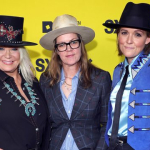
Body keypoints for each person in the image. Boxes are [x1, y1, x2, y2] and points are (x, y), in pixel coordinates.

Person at [39, 14, 111, 150]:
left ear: (81, 44)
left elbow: (108, 124)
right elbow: (42, 124)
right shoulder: (45, 80)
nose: (68, 49)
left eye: (73, 42)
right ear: (56, 50)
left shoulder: (101, 79)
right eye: (61, 44)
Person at [103, 2, 150, 150]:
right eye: (124, 33)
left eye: (137, 34)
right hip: (111, 145)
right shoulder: (118, 70)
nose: (129, 40)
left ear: (148, 39)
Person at [0, 15, 50, 150]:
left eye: (14, 49)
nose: (8, 55)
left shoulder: (32, 81)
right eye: (1, 49)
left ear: (21, 53)